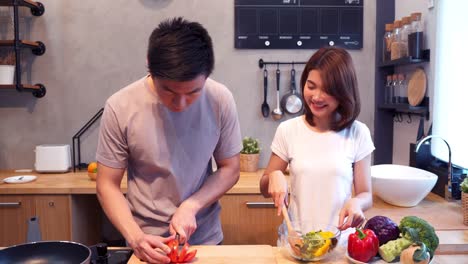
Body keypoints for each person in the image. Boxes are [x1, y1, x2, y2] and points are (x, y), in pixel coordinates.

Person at [96, 17, 242, 263]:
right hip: (144, 242)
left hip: (205, 239)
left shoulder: (220, 100)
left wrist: (191, 206)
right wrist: (135, 237)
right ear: (149, 66)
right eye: (169, 91)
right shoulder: (120, 106)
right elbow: (106, 184)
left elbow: (230, 168)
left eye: (193, 92)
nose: (181, 103)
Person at [260, 47, 375, 235]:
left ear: (343, 92)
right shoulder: (288, 130)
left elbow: (366, 195)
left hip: (339, 242)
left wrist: (357, 202)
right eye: (311, 86)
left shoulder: (358, 133)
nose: (316, 97)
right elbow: (264, 188)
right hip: (298, 241)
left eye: (327, 90)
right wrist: (273, 176)